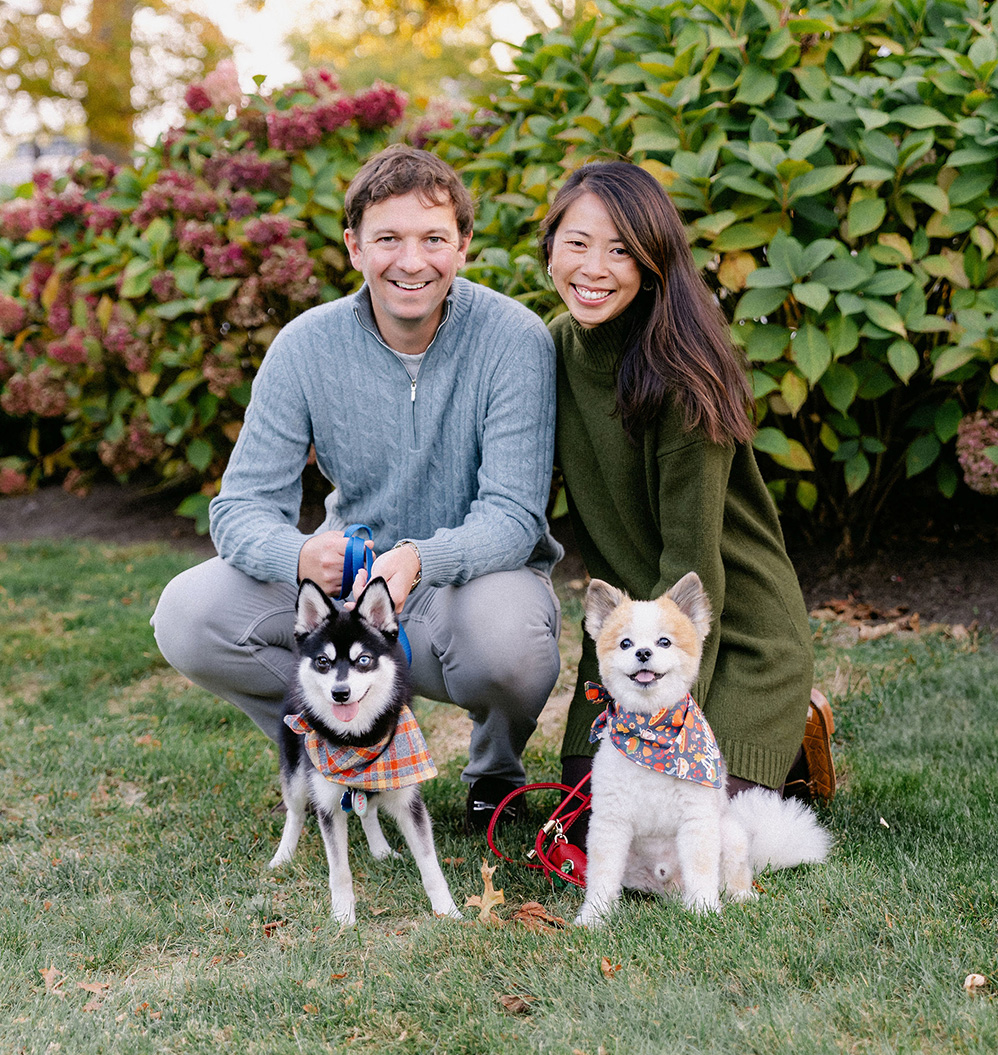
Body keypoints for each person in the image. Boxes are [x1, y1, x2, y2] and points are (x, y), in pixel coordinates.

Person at [152, 145, 562, 834]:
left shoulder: (513, 339)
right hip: (345, 587)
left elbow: (515, 518)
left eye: (434, 238)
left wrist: (421, 560)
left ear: (464, 244)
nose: (411, 261)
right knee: (188, 616)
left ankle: (496, 775)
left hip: (466, 585)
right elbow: (241, 508)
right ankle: (334, 753)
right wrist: (299, 558)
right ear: (353, 246)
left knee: (512, 648)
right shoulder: (305, 346)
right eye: (388, 239)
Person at [539, 160, 832, 809]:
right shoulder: (552, 348)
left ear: (651, 263)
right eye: (578, 243)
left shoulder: (684, 378)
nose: (593, 269)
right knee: (592, 823)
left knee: (672, 833)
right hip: (627, 639)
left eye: (621, 250)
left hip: (728, 632)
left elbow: (696, 571)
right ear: (551, 245)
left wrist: (668, 732)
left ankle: (785, 723)